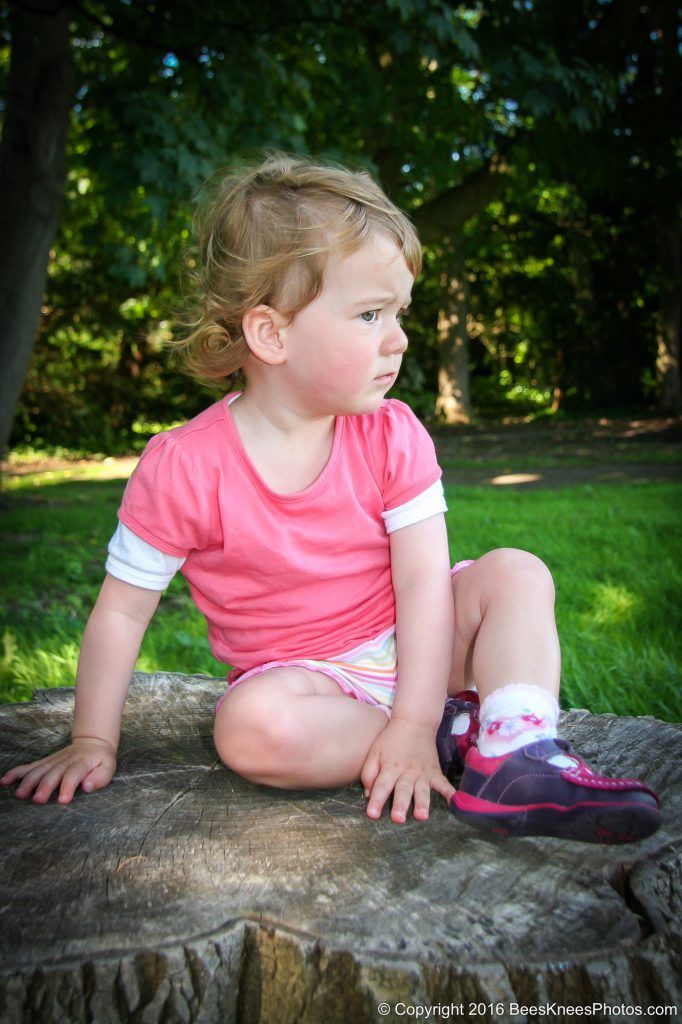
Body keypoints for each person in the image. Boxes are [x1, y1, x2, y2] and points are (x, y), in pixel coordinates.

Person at [1, 154, 661, 843]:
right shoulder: (184, 467)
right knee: (251, 730)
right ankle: (454, 738)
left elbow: (425, 585)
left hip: (422, 643)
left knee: (516, 572)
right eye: (371, 313)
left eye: (400, 313)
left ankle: (520, 747)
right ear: (271, 333)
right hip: (311, 685)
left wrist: (413, 705)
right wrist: (92, 740)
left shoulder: (392, 434)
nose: (399, 339)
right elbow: (121, 613)